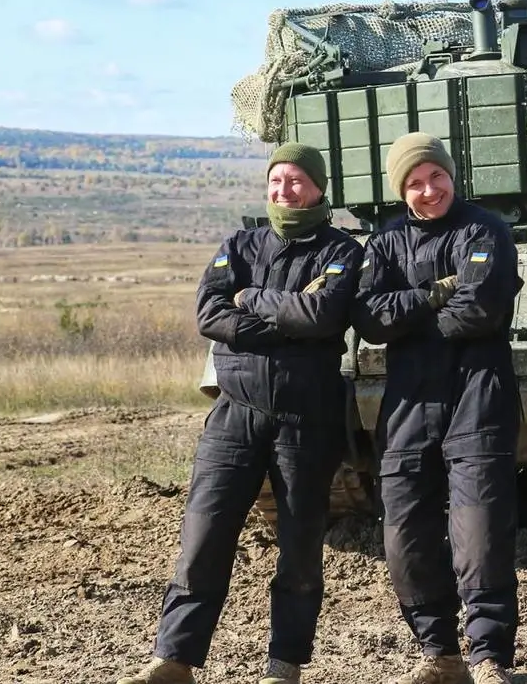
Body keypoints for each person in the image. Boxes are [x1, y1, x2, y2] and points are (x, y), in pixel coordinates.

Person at [117, 143, 364, 684]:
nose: (285, 190)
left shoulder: (342, 250)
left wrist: (249, 299)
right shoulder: (241, 243)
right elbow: (210, 311)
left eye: (297, 180)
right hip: (234, 417)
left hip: (305, 421)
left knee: (300, 547)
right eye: (277, 180)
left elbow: (321, 314)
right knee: (203, 536)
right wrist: (278, 320)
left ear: (319, 187)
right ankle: (174, 658)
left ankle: (285, 665)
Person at [353, 133, 522, 684]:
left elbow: (481, 311)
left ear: (453, 175)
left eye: (437, 177)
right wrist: (432, 296)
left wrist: (409, 319)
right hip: (409, 401)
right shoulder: (384, 243)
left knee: (480, 529)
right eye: (415, 183)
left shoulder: (485, 229)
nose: (429, 191)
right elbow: (372, 321)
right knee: (404, 531)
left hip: (479, 393)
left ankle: (488, 654)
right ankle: (440, 652)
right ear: (401, 190)